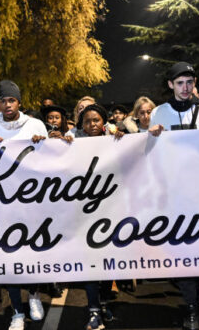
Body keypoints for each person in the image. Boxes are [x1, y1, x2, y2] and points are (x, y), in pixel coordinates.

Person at [148, 61, 199, 330]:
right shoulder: (160, 112)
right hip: (175, 194)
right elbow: (153, 155)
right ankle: (192, 306)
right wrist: (150, 137)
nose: (185, 87)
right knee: (183, 249)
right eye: (180, 83)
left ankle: (197, 298)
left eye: (190, 82)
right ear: (170, 85)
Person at [0, 80, 47, 330]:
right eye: (2, 101)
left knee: (31, 252)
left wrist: (42, 143)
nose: (7, 105)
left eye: (11, 100)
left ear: (19, 102)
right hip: (2, 201)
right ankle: (17, 312)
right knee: (8, 256)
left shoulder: (35, 124)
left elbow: (48, 157)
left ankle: (33, 295)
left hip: (31, 198)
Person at [72, 103, 123, 330]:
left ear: (104, 122)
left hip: (111, 210)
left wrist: (125, 139)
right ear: (81, 125)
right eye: (87, 121)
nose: (92, 125)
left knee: (109, 264)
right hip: (86, 212)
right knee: (91, 264)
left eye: (96, 120)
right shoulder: (73, 145)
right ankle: (93, 310)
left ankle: (103, 304)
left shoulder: (117, 140)